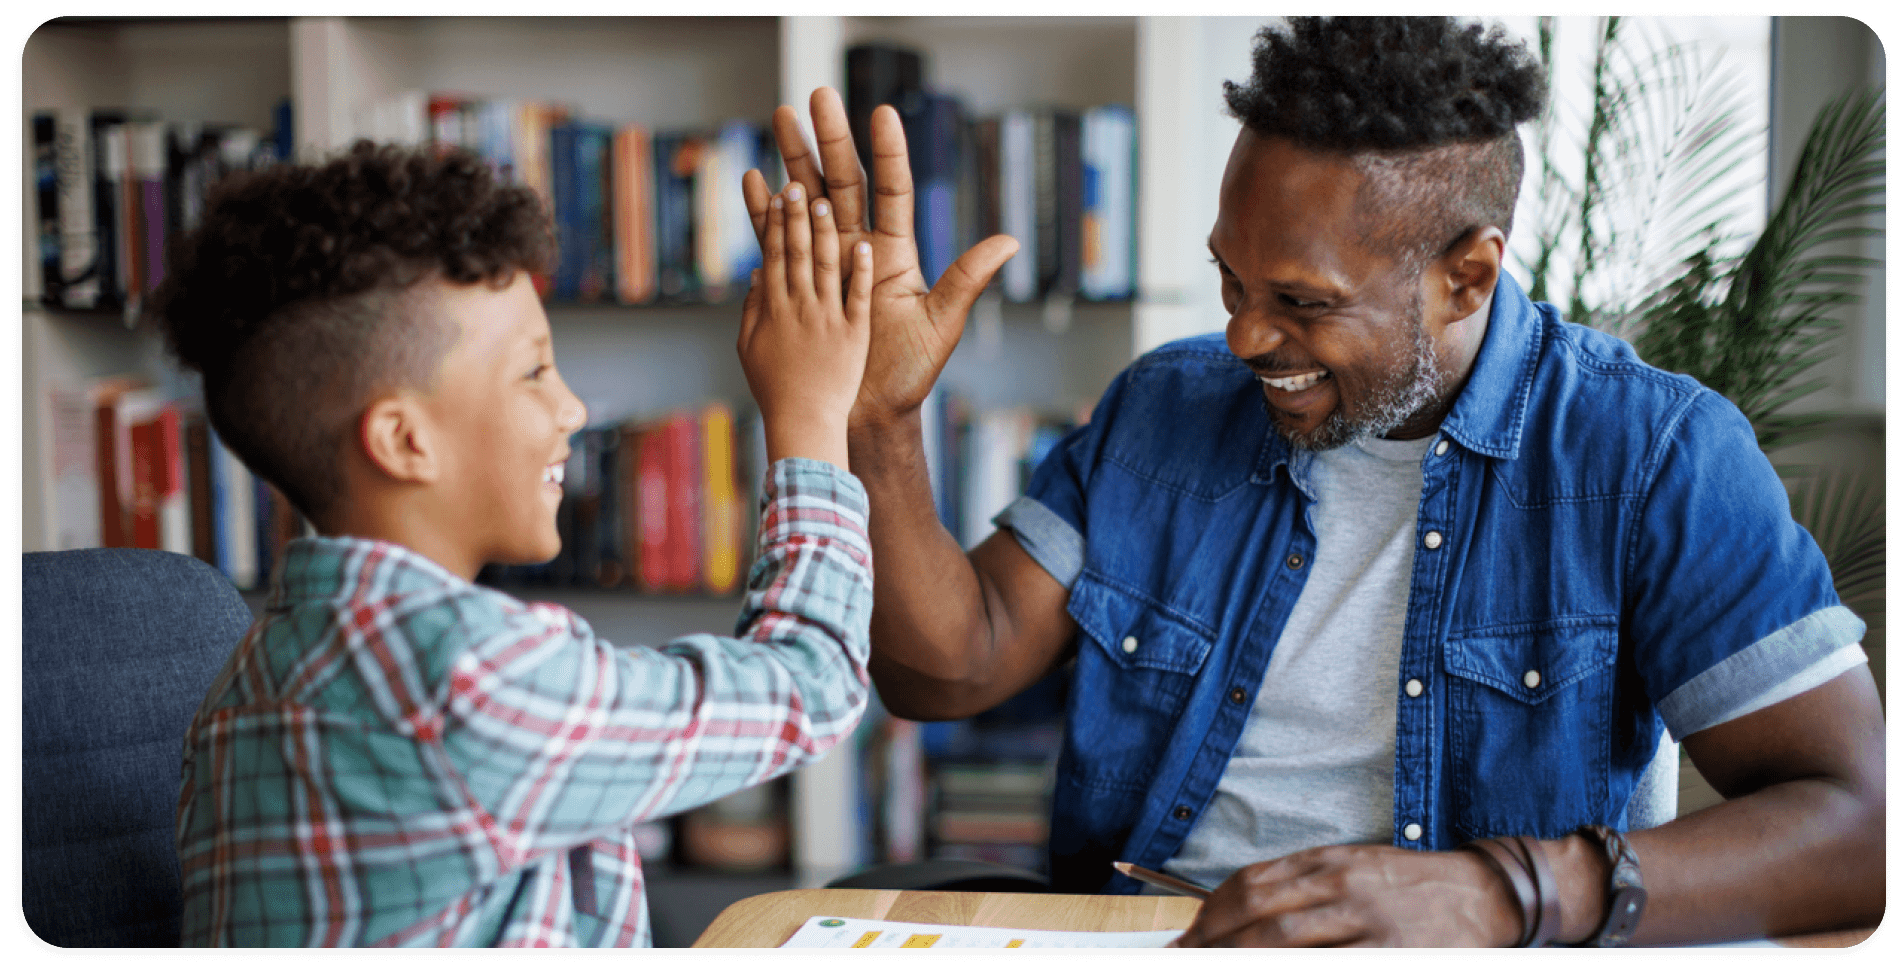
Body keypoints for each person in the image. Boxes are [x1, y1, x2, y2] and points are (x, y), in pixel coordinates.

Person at [742, 16, 1884, 948]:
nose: (1242, 337)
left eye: (1300, 302)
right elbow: (947, 670)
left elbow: (1856, 826)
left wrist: (1497, 894)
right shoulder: (1166, 408)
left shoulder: (1649, 455)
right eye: (1229, 281)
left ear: (1466, 274)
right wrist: (878, 423)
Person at [158, 141, 877, 947]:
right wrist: (810, 416)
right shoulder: (468, 675)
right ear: (404, 441)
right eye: (534, 372)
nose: (572, 409)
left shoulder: (239, 689)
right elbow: (814, 683)